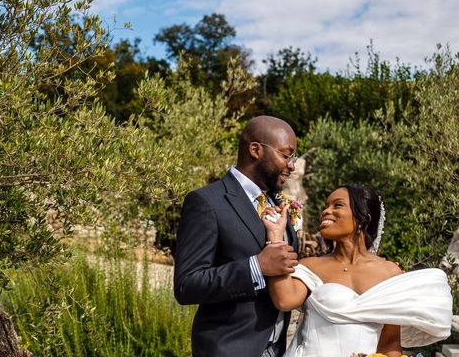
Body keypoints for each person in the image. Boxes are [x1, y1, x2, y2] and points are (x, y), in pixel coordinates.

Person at [261, 185, 453, 357]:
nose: (326, 211)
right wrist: (276, 235)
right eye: (326, 206)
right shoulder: (311, 265)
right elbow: (284, 300)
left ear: (363, 218)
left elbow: (389, 342)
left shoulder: (390, 273)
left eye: (337, 205)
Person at [174, 115, 300, 357]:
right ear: (256, 150)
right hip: (228, 349)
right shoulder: (207, 202)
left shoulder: (276, 203)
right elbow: (186, 285)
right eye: (286, 155)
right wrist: (256, 267)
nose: (292, 165)